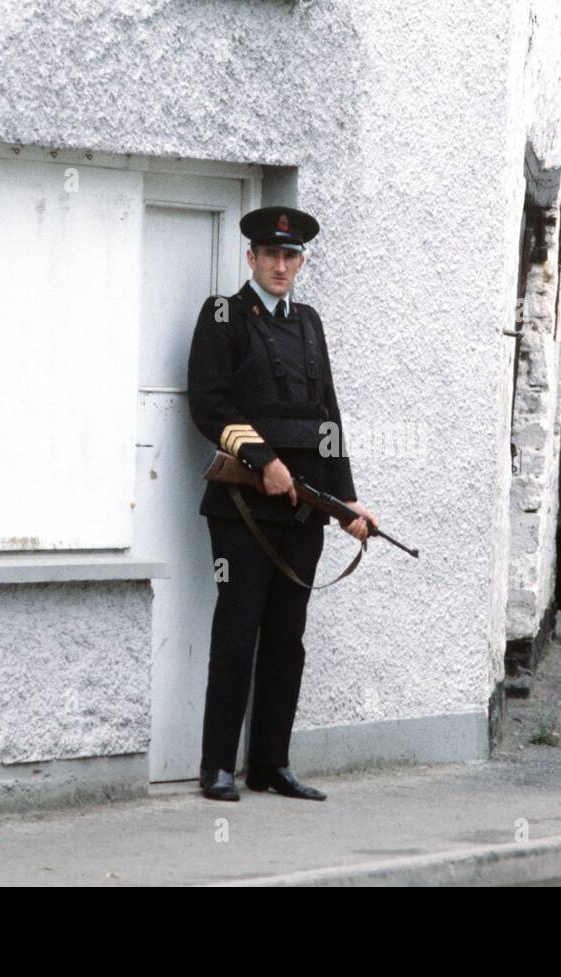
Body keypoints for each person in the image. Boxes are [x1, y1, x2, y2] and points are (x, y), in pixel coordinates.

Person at [185, 205, 377, 802]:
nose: (279, 264)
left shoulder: (310, 323)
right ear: (251, 257)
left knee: (288, 637)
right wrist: (262, 460)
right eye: (269, 254)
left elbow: (329, 419)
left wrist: (346, 502)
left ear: (300, 263)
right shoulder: (223, 314)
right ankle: (218, 765)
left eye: (290, 256)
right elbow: (210, 405)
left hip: (303, 508)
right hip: (243, 505)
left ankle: (272, 763)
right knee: (238, 630)